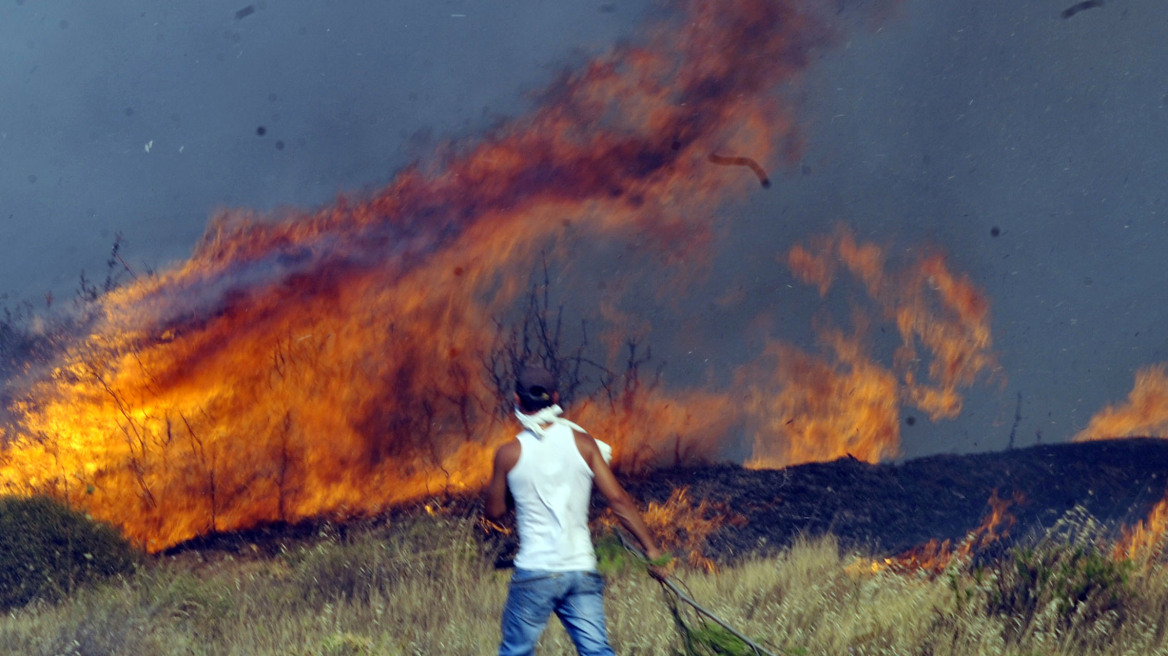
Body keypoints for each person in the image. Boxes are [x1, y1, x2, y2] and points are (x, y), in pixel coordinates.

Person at [485, 364, 668, 656]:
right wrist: (652, 550)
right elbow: (618, 500)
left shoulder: (508, 453)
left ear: (517, 400)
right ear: (555, 397)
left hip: (536, 571)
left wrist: (515, 486)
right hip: (579, 569)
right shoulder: (584, 444)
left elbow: (493, 512)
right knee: (597, 651)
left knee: (515, 651)